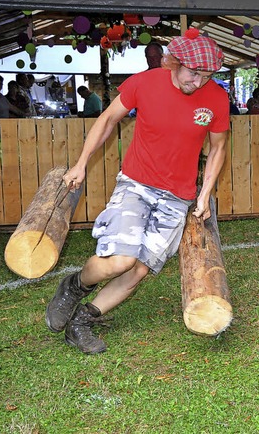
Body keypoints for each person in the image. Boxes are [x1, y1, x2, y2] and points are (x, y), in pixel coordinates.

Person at [44, 27, 229, 355]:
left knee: (140, 268)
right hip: (137, 185)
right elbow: (107, 120)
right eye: (192, 73)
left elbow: (217, 148)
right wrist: (80, 163)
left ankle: (81, 322)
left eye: (206, 75)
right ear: (174, 62)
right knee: (120, 261)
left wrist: (204, 194)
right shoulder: (145, 83)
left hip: (177, 197)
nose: (198, 82)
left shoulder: (216, 98)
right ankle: (74, 286)